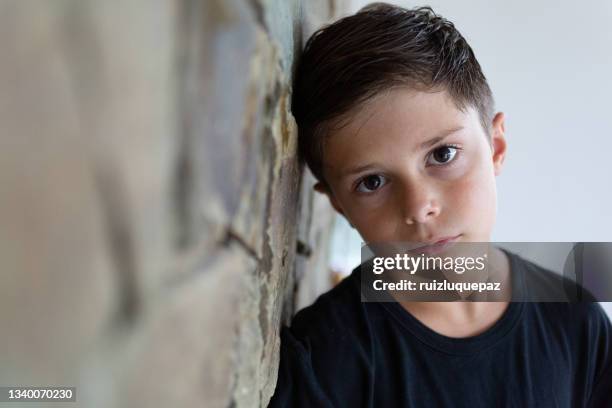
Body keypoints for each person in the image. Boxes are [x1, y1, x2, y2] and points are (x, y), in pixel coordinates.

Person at [268, 3, 612, 407]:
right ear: (340, 206)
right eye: (372, 182)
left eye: (443, 155)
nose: (418, 207)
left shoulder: (575, 321)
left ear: (496, 146)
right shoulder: (324, 359)